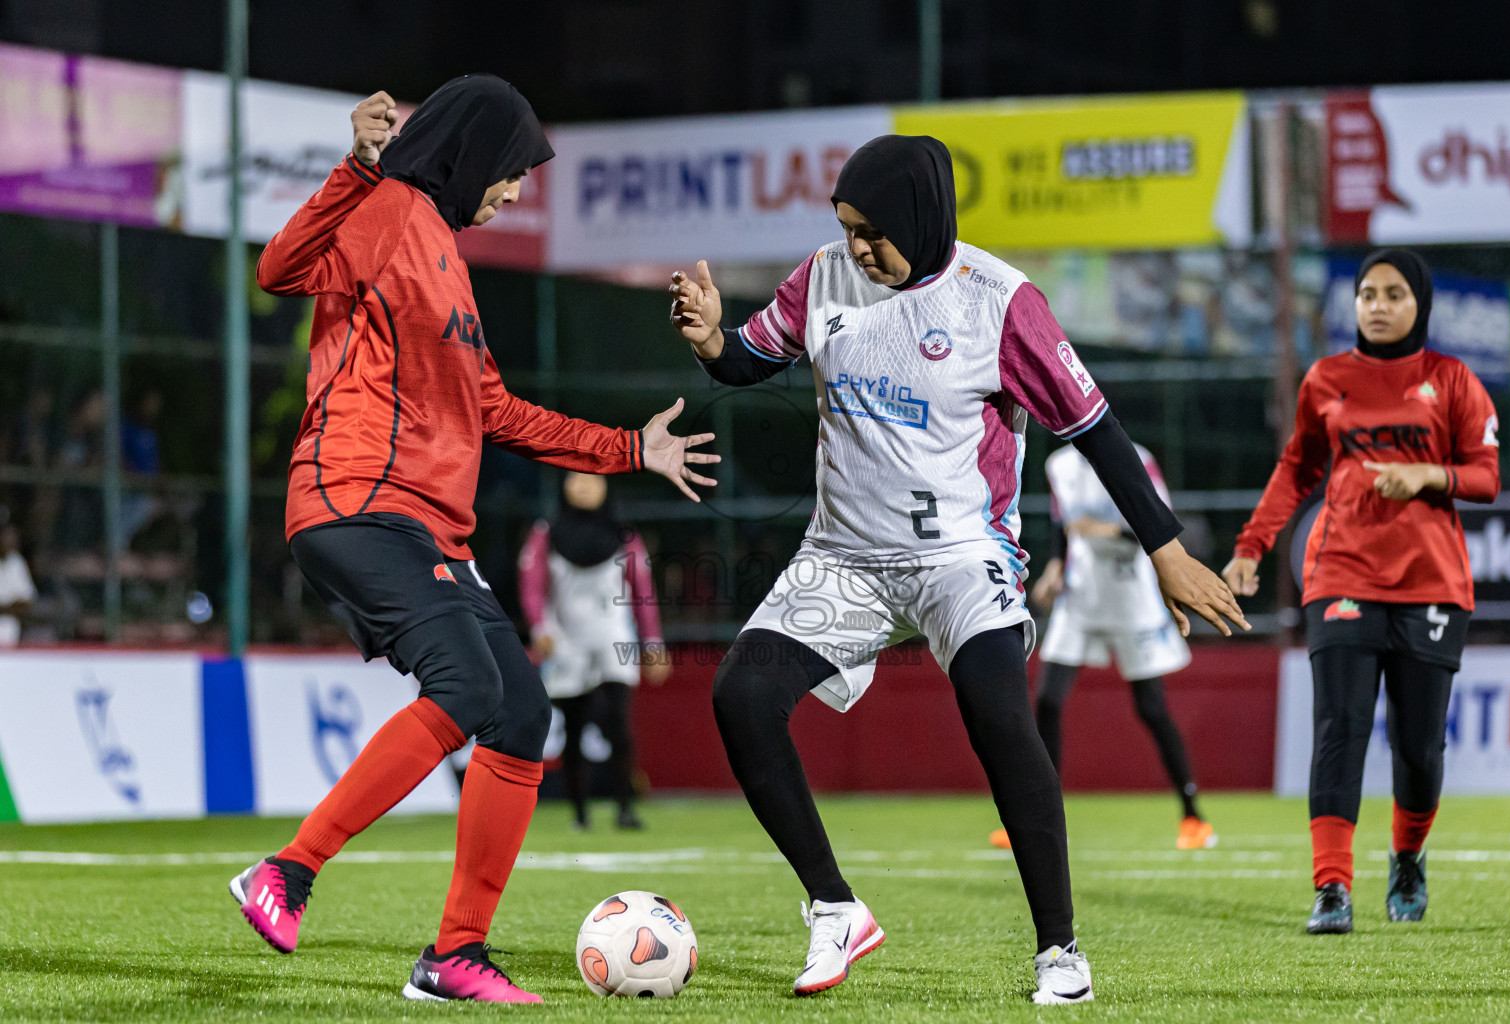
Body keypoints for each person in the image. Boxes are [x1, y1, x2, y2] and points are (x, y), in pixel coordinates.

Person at [668, 134, 1248, 1005]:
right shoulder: (824, 276)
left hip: (962, 557)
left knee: (997, 713)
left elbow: (1096, 429)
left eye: (873, 231)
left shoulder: (1001, 302)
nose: (857, 247)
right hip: (844, 557)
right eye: (847, 227)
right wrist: (714, 339)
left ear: (921, 218)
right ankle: (835, 909)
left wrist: (1165, 548)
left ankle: (1060, 952)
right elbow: (752, 359)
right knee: (742, 696)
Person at [229, 77, 718, 1005]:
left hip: (430, 528)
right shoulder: (387, 209)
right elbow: (280, 269)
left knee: (521, 711)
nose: (516, 190)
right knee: (466, 685)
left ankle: (455, 955)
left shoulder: (446, 257)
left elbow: (495, 408)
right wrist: (355, 169)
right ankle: (286, 871)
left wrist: (629, 448)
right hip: (356, 500)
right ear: (471, 154)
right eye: (512, 170)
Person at [1223, 249, 1499, 935]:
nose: (1377, 305)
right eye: (1367, 293)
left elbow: (1486, 475)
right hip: (1341, 572)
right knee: (1339, 728)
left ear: (1419, 304)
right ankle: (1331, 887)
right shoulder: (1327, 379)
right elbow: (1297, 468)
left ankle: (1407, 857)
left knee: (1419, 749)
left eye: (1394, 294)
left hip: (1431, 582)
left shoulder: (1452, 379)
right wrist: (1251, 547)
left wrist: (1429, 475)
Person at [999, 442, 1213, 853]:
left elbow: (1162, 528)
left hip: (1132, 597)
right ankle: (1036, 819)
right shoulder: (1059, 464)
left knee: (1151, 708)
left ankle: (1193, 817)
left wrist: (1108, 530)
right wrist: (1055, 567)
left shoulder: (1137, 459)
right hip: (1081, 596)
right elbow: (1064, 524)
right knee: (1047, 701)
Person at [518, 471, 669, 830]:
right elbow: (531, 585)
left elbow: (643, 590)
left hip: (613, 637)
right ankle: (580, 813)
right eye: (576, 478)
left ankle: (625, 808)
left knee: (618, 723)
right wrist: (540, 628)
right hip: (565, 641)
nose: (584, 486)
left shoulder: (624, 535)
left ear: (606, 487)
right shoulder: (546, 533)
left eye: (593, 479)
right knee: (573, 728)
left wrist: (652, 642)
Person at [0, 524, 35, 646]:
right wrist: (12, 606)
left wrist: (3, 608)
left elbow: (26, 603)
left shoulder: (17, 562)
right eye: (5, 538)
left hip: (11, 635)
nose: (9, 542)